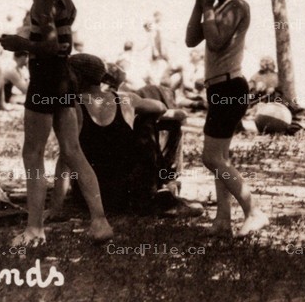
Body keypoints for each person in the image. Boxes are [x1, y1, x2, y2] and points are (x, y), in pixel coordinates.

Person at [0, 0, 114, 247]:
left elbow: (47, 46)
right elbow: (63, 44)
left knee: (32, 153)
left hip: (46, 76)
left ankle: (34, 229)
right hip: (64, 77)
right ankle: (99, 221)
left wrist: (17, 42)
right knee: (73, 151)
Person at [50, 53, 201, 218]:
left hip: (90, 196)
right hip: (130, 192)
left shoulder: (73, 107)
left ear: (75, 77)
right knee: (151, 121)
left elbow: (65, 159)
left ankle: (165, 185)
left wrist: (56, 208)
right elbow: (161, 108)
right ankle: (167, 181)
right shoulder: (125, 100)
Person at [185, 0, 268, 236]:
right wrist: (200, 4)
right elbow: (191, 39)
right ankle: (223, 220)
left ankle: (254, 211)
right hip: (218, 88)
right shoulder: (215, 6)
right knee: (221, 158)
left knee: (211, 158)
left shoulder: (237, 6)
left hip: (231, 86)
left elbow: (217, 40)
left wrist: (207, 7)